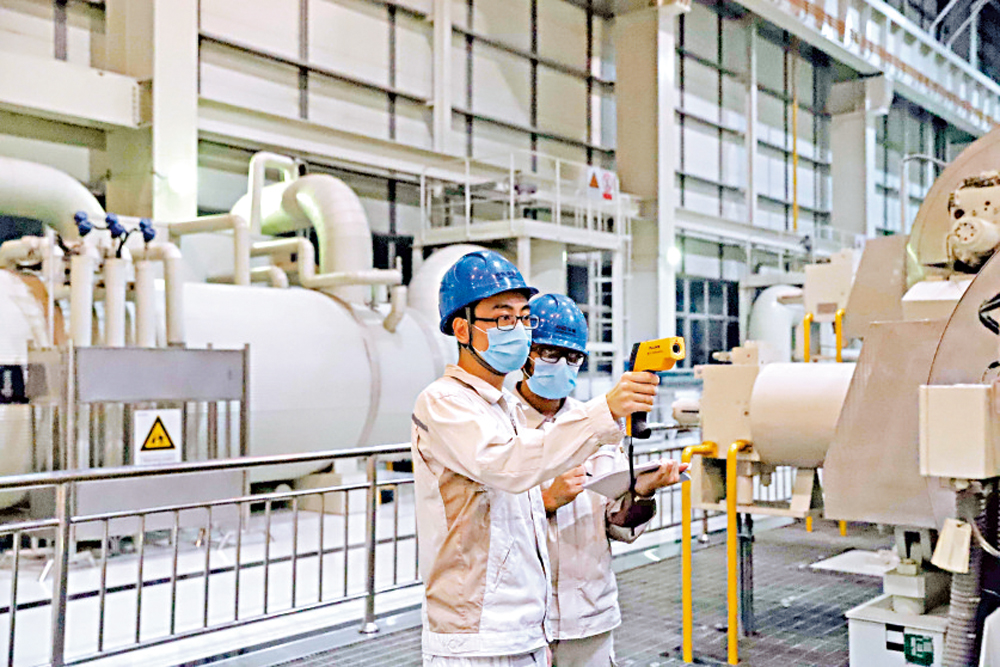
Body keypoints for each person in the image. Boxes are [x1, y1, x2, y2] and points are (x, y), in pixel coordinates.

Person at [410, 250, 660, 667]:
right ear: (462, 328)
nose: (518, 329)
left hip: (527, 628)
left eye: (524, 318)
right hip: (476, 636)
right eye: (503, 317)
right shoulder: (443, 402)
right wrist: (605, 411)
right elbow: (508, 464)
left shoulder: (504, 409)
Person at [515, 294, 684, 667]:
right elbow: (481, 523)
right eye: (550, 353)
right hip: (521, 623)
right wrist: (545, 501)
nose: (563, 364)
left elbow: (617, 525)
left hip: (590, 616)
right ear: (524, 354)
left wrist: (642, 493)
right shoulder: (499, 427)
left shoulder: (600, 428)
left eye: (573, 357)